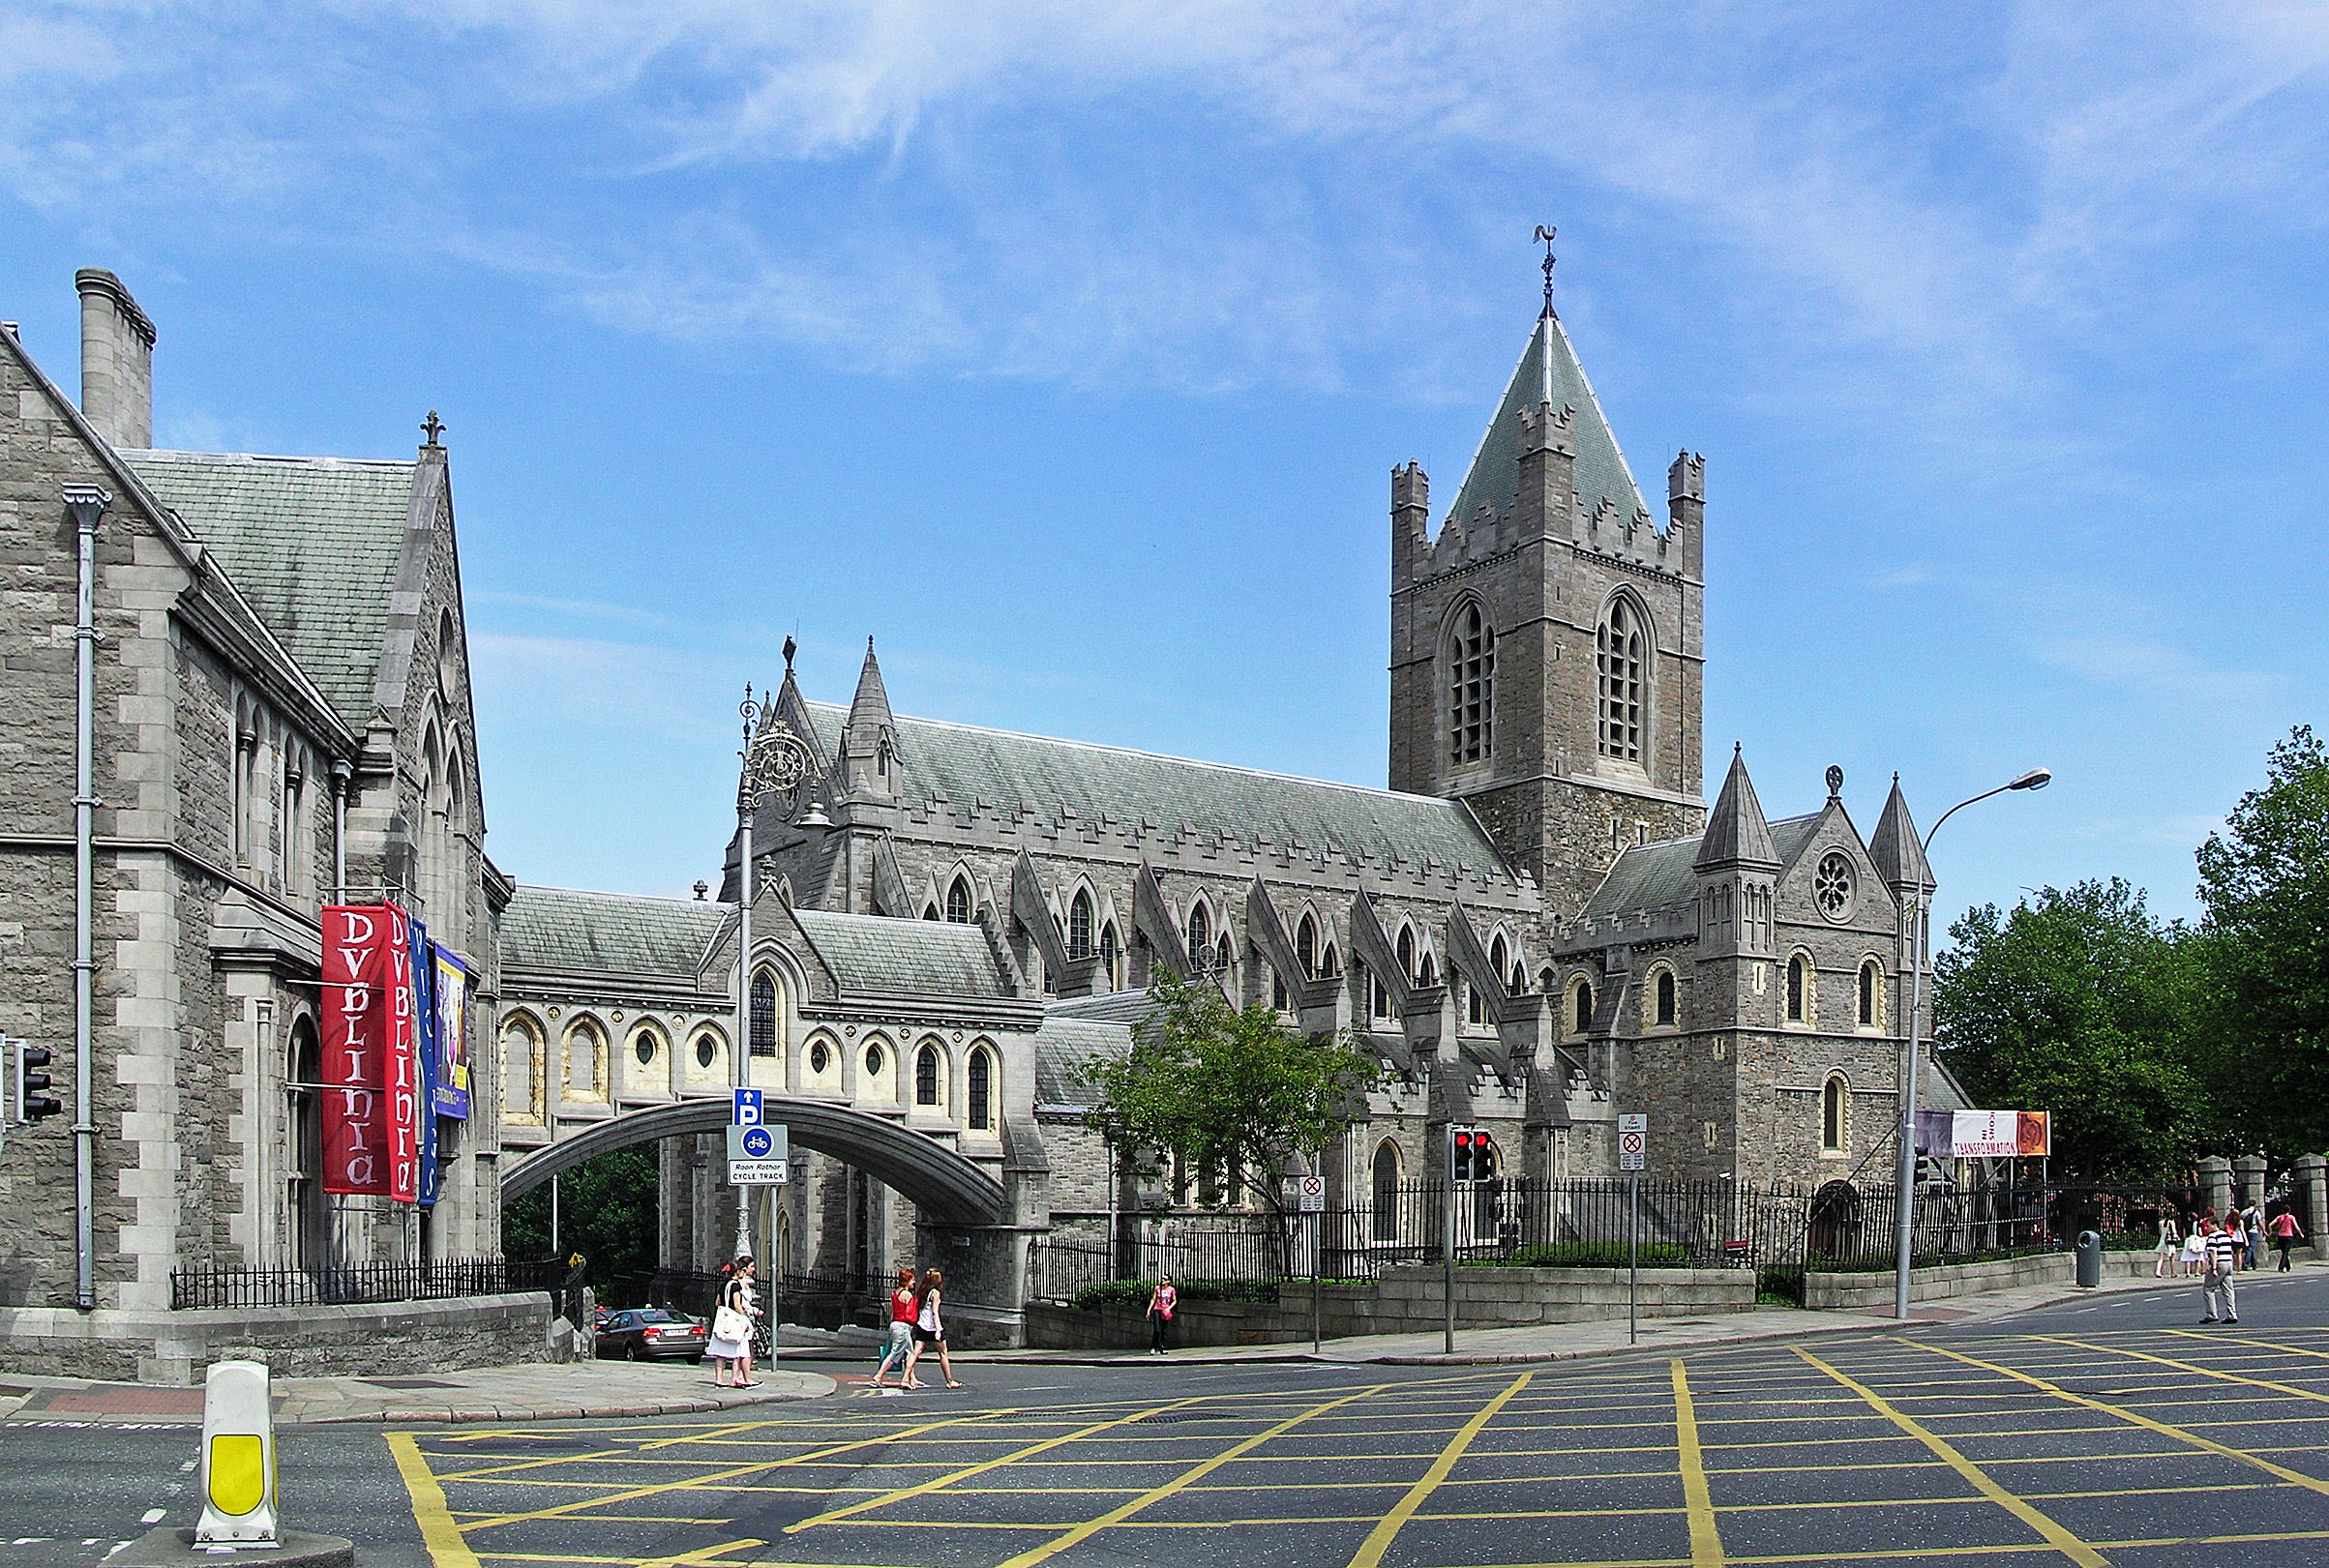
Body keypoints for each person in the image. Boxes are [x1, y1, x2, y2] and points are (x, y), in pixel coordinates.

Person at [903, 1268, 964, 1390]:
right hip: (932, 1327)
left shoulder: (922, 1292)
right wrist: (937, 1330)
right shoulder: (935, 1293)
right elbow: (935, 1313)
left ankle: (905, 1379)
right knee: (943, 1353)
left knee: (915, 1353)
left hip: (921, 1325)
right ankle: (950, 1381)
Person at [707, 1254, 758, 1387]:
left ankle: (719, 1380)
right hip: (733, 1323)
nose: (744, 1273)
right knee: (737, 1353)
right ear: (738, 1272)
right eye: (743, 1271)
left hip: (722, 1323)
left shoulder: (723, 1284)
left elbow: (718, 1302)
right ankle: (734, 1380)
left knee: (720, 1355)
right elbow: (737, 1305)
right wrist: (745, 1320)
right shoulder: (736, 1286)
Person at [872, 1265, 919, 1390]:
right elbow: (911, 1313)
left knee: (910, 1352)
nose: (914, 1282)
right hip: (902, 1326)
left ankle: (911, 1378)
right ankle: (879, 1375)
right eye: (912, 1280)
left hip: (895, 1324)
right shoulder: (907, 1295)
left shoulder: (895, 1293)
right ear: (907, 1280)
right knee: (895, 1353)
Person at [2201, 1217, 2240, 1323]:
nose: (2206, 1228)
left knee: (2208, 1289)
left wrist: (2213, 1268)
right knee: (2228, 1290)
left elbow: (2214, 1253)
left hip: (2220, 1263)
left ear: (2214, 1225)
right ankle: (2232, 1314)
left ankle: (2211, 1314)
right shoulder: (2225, 1235)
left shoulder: (2213, 1236)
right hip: (2228, 1262)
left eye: (2208, 1225)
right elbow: (2231, 1250)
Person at [1147, 1274, 1178, 1354]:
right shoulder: (1157, 1288)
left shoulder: (1171, 1290)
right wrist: (1149, 1310)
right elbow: (1153, 1299)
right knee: (1157, 1329)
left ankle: (1163, 1347)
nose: (1162, 1280)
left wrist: (1169, 1308)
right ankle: (1153, 1346)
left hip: (1166, 1311)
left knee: (1165, 1330)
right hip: (1157, 1310)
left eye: (1165, 1279)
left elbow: (1174, 1300)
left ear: (1169, 1281)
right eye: (1162, 1278)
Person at [2270, 1206, 2306, 1271]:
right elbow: (2296, 1227)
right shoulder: (2291, 1217)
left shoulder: (2279, 1217)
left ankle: (2288, 1266)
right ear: (2289, 1210)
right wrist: (2301, 1234)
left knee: (2284, 1252)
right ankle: (2281, 1267)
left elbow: (2270, 1224)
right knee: (2286, 1252)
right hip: (2289, 1235)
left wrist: (2270, 1232)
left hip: (2280, 1236)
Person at [2155, 1210, 2181, 1279]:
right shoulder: (2171, 1222)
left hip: (2162, 1240)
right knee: (2172, 1257)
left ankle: (2158, 1271)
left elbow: (2160, 1232)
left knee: (2161, 1257)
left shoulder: (2160, 1222)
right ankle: (2172, 1272)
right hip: (2170, 1241)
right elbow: (2174, 1231)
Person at [2242, 1201, 2265, 1272]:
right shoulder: (2256, 1212)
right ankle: (2245, 1264)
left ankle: (2254, 1264)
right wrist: (2264, 1230)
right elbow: (2260, 1222)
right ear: (2255, 1205)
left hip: (2246, 1231)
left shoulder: (2244, 1212)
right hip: (2254, 1231)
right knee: (2250, 1248)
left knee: (2250, 1248)